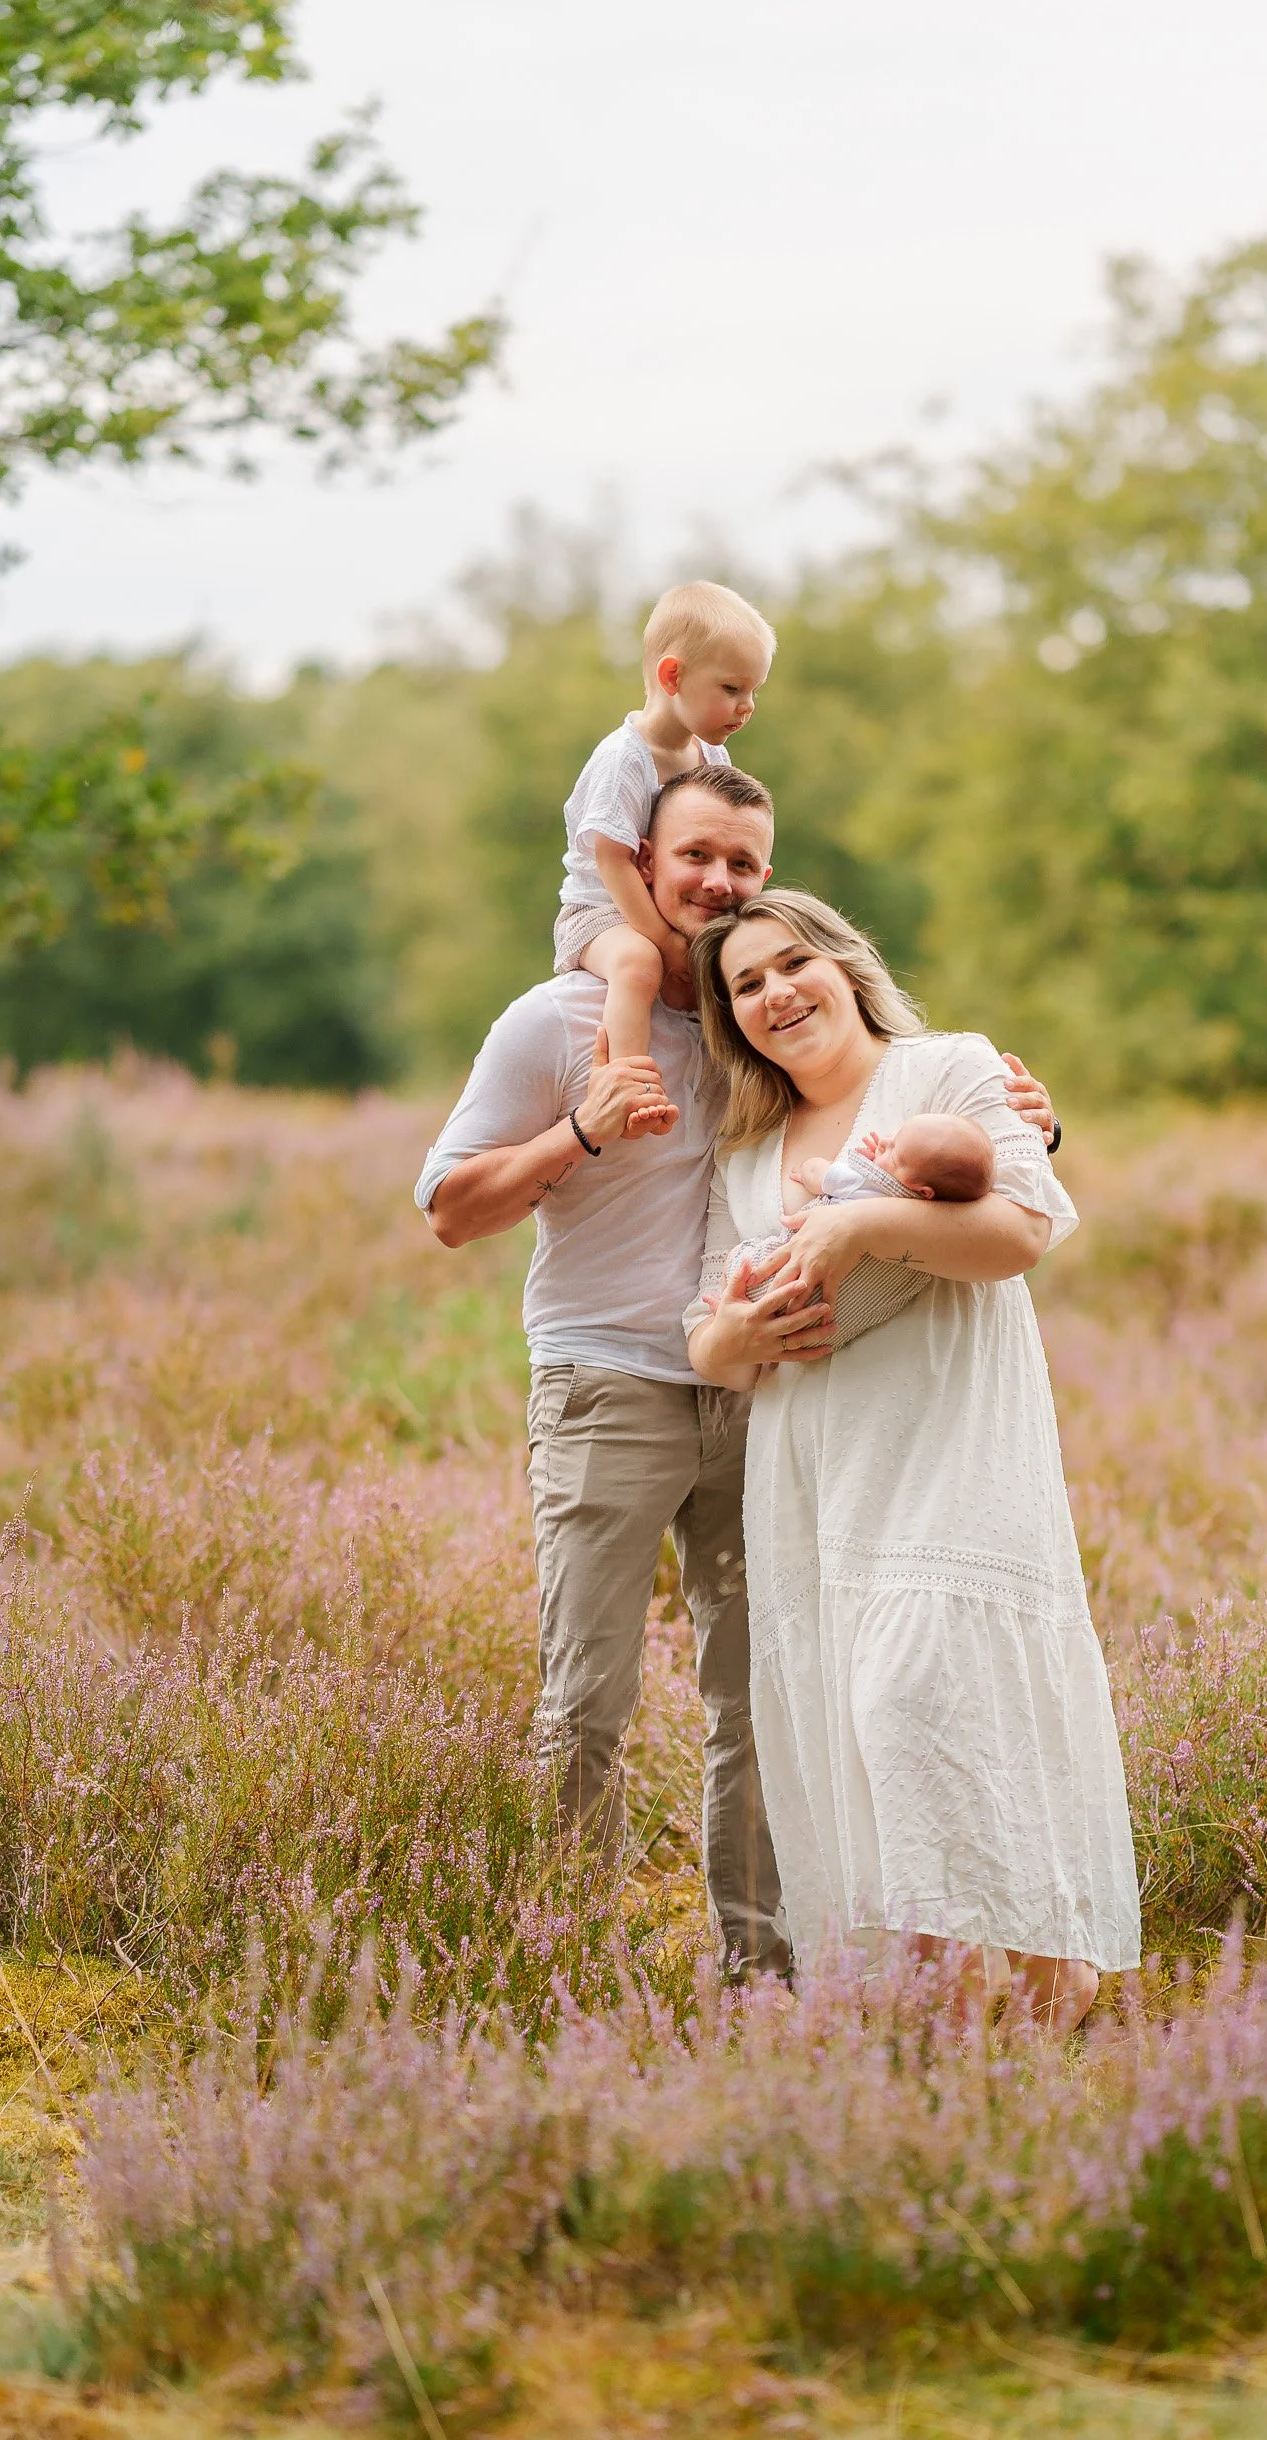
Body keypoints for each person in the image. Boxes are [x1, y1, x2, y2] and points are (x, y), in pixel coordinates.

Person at [415, 763, 1061, 1983]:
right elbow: (447, 1209)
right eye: (696, 856)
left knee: (761, 1699)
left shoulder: (745, 1015)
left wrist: (1024, 1127)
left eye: (743, 864)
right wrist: (585, 1129)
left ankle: (761, 1975)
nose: (718, 883)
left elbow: (888, 1091)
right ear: (640, 864)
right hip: (609, 1388)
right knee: (586, 1707)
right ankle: (564, 1974)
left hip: (761, 1408)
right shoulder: (554, 1020)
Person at [685, 891, 1140, 2028]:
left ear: (845, 965)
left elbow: (1022, 1231)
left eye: (795, 964)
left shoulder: (946, 1070)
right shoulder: (745, 1149)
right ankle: (933, 2003)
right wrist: (734, 1339)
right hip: (814, 1469)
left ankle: (1052, 1964)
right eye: (746, 985)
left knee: (920, 1690)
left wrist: (859, 1229)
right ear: (731, 1019)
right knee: (859, 1717)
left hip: (947, 1436)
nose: (777, 994)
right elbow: (704, 1330)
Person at [555, 580, 774, 1095]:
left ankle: (741, 1086)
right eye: (731, 689)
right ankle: (623, 1086)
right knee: (639, 964)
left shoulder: (709, 756)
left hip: (663, 905)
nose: (746, 706)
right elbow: (611, 860)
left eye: (752, 692)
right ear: (672, 676)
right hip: (600, 910)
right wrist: (663, 940)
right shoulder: (624, 758)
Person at [724, 1115, 996, 1352]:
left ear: (923, 1190)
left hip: (777, 1286)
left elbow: (818, 1173)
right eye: (893, 1138)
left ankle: (734, 1296)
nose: (883, 1143)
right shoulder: (929, 1226)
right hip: (824, 1327)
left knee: (741, 1263)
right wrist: (887, 1160)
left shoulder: (862, 1181)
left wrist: (812, 1168)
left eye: (894, 1152)